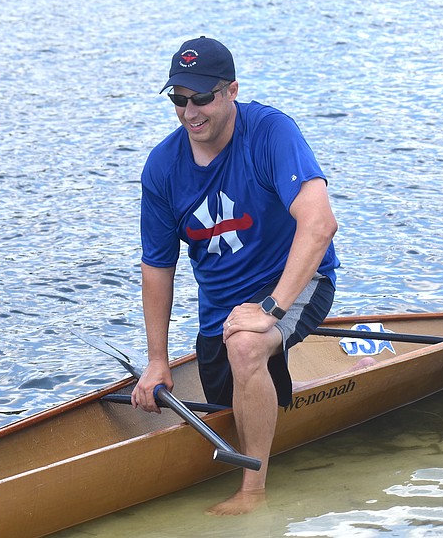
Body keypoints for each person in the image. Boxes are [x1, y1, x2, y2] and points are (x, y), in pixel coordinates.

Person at [131, 36, 341, 516]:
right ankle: (264, 383)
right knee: (230, 374)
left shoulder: (271, 133)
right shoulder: (162, 168)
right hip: (223, 310)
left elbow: (320, 224)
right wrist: (158, 360)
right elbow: (158, 267)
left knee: (247, 345)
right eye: (178, 99)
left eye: (201, 97)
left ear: (231, 91)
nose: (190, 112)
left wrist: (270, 311)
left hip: (296, 283)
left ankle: (252, 491)